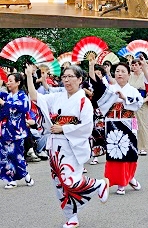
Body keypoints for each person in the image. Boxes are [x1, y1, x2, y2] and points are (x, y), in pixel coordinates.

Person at [25, 64, 109, 228]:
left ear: (80, 79)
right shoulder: (57, 96)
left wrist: (64, 128)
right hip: (55, 146)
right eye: (64, 77)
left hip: (72, 145)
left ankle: (98, 184)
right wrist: (29, 75)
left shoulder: (84, 101)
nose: (67, 80)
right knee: (60, 184)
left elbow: (86, 126)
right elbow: (35, 98)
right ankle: (71, 217)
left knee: (70, 181)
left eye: (71, 76)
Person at [89, 60, 143, 195]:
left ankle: (128, 177)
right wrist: (91, 66)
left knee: (129, 153)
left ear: (129, 74)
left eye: (123, 71)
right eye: (117, 71)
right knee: (115, 154)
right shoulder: (110, 89)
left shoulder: (133, 90)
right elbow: (97, 85)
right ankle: (120, 182)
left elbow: (138, 103)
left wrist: (124, 98)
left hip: (128, 123)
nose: (120, 74)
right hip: (112, 122)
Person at [0, 72, 35, 189]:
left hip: (17, 131)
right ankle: (15, 178)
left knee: (17, 155)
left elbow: (23, 108)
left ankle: (22, 176)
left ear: (18, 83)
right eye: (7, 81)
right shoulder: (6, 95)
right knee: (6, 155)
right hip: (5, 131)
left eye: (11, 81)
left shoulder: (22, 96)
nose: (8, 83)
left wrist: (5, 104)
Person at [128, 58, 148, 156]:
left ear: (141, 66)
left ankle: (142, 147)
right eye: (132, 65)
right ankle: (133, 145)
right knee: (132, 124)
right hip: (132, 102)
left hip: (143, 101)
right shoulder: (130, 76)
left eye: (136, 65)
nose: (134, 67)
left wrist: (143, 101)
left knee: (142, 125)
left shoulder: (146, 76)